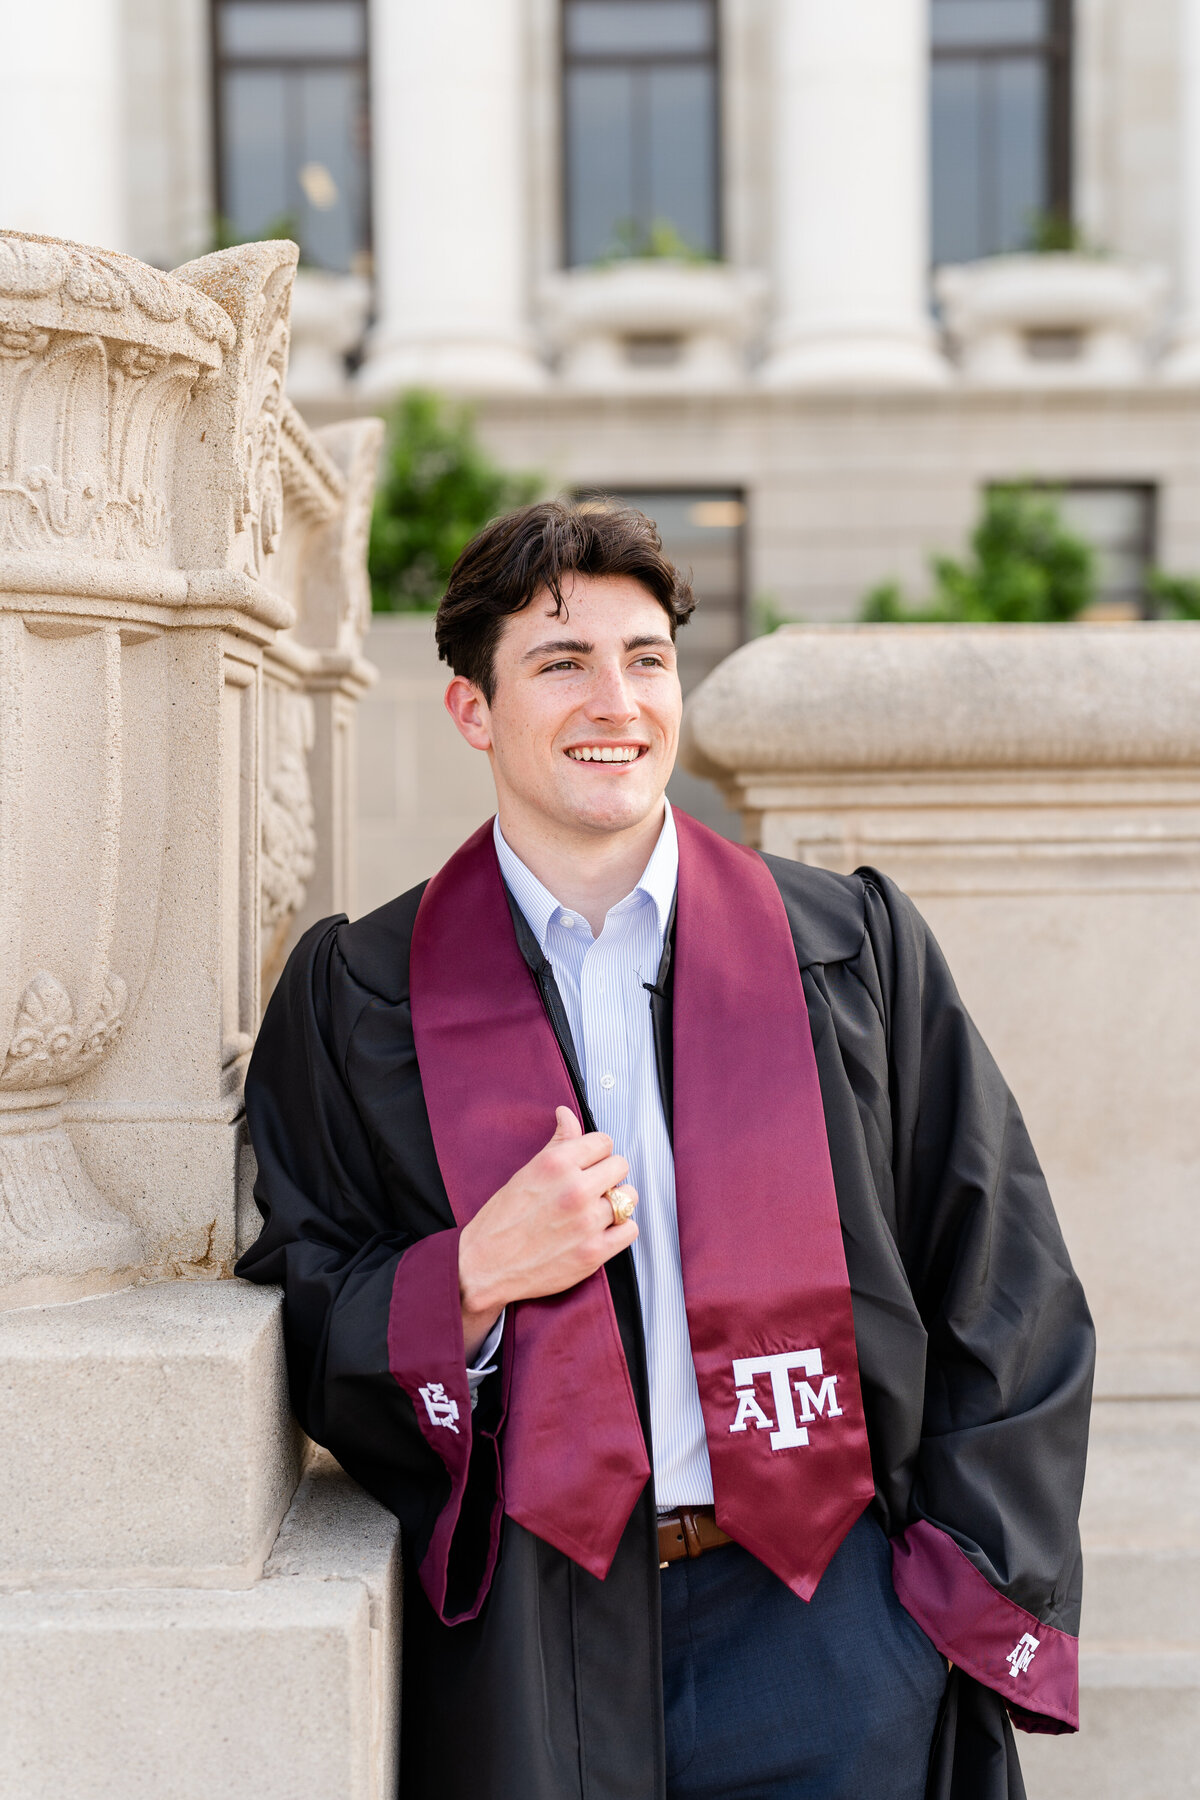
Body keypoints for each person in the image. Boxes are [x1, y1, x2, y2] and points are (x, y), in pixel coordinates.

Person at [237, 499, 1094, 1800]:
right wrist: (465, 1277)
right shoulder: (363, 993)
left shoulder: (845, 951)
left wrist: (941, 1601)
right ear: (474, 710)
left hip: (829, 1625)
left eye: (645, 659)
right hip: (537, 1638)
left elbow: (1005, 1281)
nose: (615, 702)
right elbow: (302, 1308)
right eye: (561, 662)